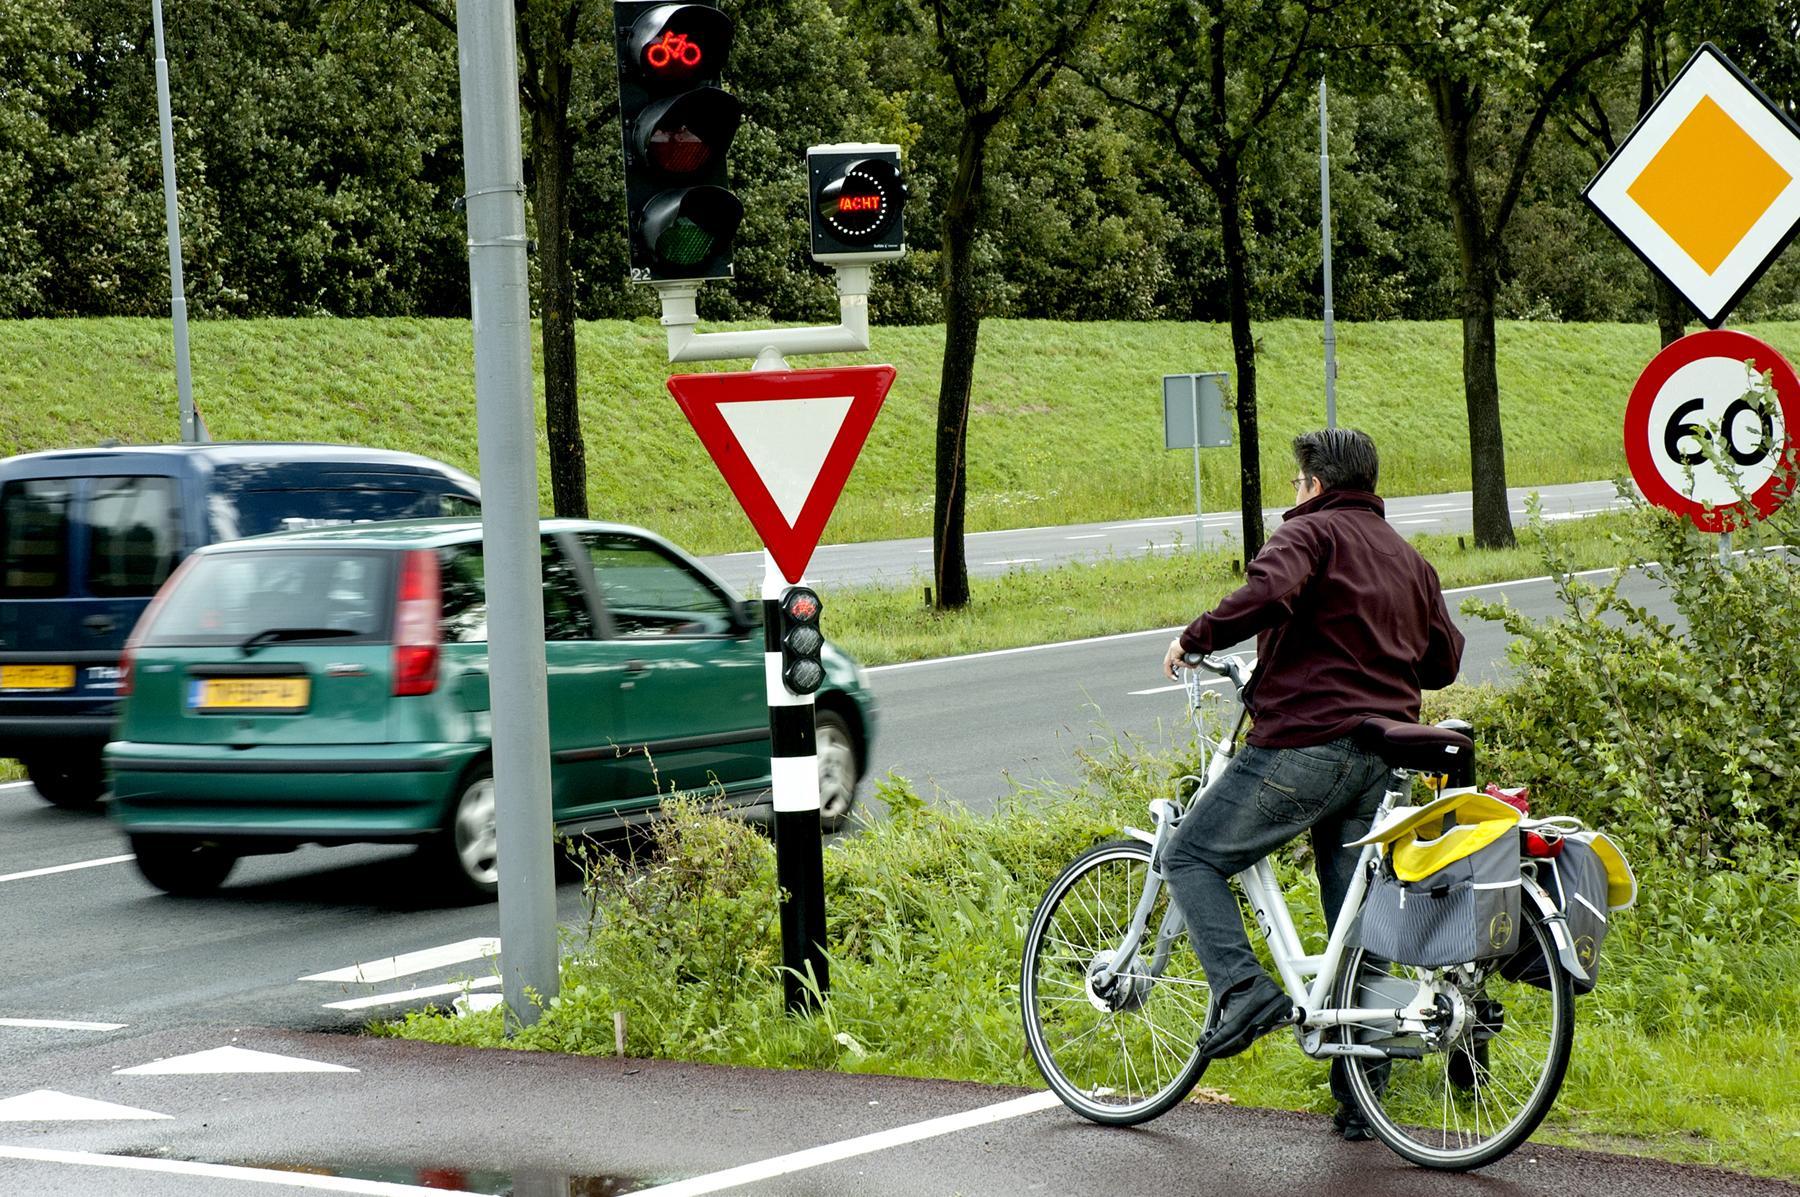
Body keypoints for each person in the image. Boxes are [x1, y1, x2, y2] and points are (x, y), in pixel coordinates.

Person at [1156, 428, 1465, 1140]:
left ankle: (1241, 991)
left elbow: (1266, 592)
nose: (1293, 495)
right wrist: (1374, 656)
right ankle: (1363, 1093)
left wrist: (1196, 637)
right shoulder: (1409, 559)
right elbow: (1443, 659)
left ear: (1316, 484)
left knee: (1191, 855)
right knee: (1356, 929)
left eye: (1296, 483)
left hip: (1308, 743)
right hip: (1381, 757)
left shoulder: (1311, 534)